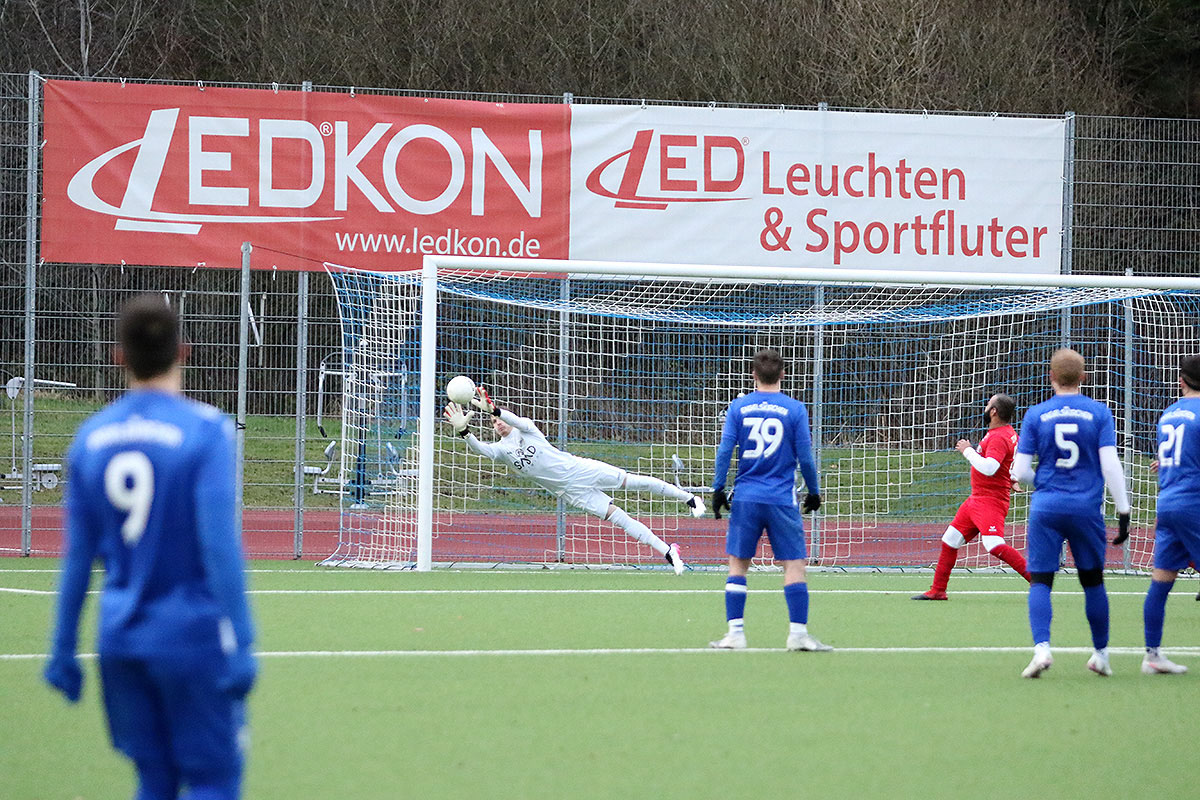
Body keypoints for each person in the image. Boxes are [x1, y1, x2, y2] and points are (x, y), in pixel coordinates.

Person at [44, 295, 256, 799]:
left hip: (120, 639)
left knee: (153, 780)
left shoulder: (90, 438)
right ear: (183, 351)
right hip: (190, 635)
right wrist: (243, 641)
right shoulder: (206, 431)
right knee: (213, 779)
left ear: (120, 356)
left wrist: (63, 647)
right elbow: (219, 546)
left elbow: (78, 558)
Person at [443, 388, 703, 574]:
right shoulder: (501, 450)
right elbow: (480, 449)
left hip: (581, 470)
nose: (498, 423)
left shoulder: (527, 429)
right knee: (620, 518)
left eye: (499, 419)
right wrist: (464, 431)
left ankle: (689, 498)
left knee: (634, 482)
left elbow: (515, 419)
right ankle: (668, 551)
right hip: (570, 492)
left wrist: (495, 409)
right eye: (493, 421)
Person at [1011, 348, 1130, 678]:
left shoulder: (1036, 414)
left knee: (1041, 580)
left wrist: (1044, 482)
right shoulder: (1099, 412)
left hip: (1046, 507)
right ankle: (1100, 654)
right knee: (1092, 582)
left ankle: (1042, 649)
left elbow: (1020, 471)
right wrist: (1123, 510)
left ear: (1050, 377)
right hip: (1085, 509)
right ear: (1083, 377)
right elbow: (1110, 465)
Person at [707, 348, 830, 652]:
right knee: (794, 564)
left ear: (754, 375)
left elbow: (725, 451)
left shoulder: (739, 407)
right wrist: (814, 492)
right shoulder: (795, 409)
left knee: (738, 565)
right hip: (781, 498)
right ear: (783, 374)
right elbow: (806, 457)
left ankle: (735, 634)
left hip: (746, 497)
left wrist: (718, 489)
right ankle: (797, 634)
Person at [914, 394, 1031, 600]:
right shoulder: (1006, 433)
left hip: (990, 501)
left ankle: (1037, 580)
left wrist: (967, 451)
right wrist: (1012, 478)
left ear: (993, 411)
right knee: (950, 540)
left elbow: (990, 467)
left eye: (988, 405)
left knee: (994, 545)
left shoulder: (999, 437)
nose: (985, 408)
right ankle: (938, 590)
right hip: (977, 499)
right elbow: (1010, 461)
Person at [1139, 355, 1200, 675]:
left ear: (1181, 381)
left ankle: (1152, 655)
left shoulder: (1168, 414)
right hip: (1194, 502)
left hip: (1167, 501)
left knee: (1161, 580)